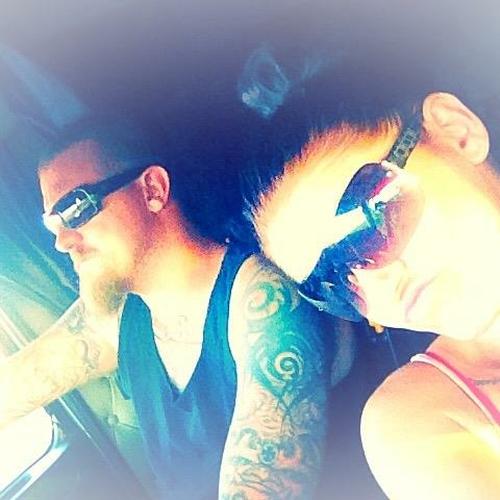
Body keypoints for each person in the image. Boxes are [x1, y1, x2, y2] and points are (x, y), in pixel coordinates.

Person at [0, 115, 336, 499]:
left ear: (152, 189)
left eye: (76, 209)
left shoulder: (264, 305)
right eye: (53, 225)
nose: (61, 241)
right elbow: (13, 387)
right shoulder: (118, 319)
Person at [247, 90, 500, 499]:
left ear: (457, 131)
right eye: (334, 284)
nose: (375, 284)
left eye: (370, 218)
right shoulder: (418, 423)